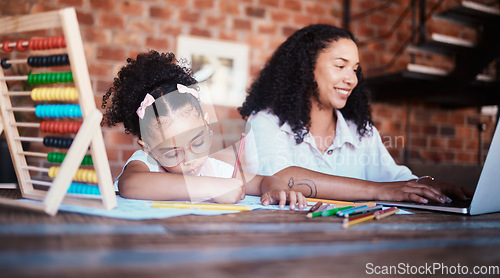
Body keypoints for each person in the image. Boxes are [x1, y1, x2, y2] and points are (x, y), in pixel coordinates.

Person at [239, 24, 472, 203]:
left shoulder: (362, 132)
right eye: (340, 66)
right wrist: (375, 190)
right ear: (306, 69)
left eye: (355, 69)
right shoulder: (265, 121)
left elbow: (392, 177)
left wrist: (430, 185)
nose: (352, 79)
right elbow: (279, 177)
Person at [102, 50, 306, 209]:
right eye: (173, 153)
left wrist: (276, 189)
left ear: (207, 126)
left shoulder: (212, 168)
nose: (191, 160)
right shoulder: (145, 162)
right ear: (148, 148)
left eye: (198, 143)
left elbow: (264, 181)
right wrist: (212, 187)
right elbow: (131, 185)